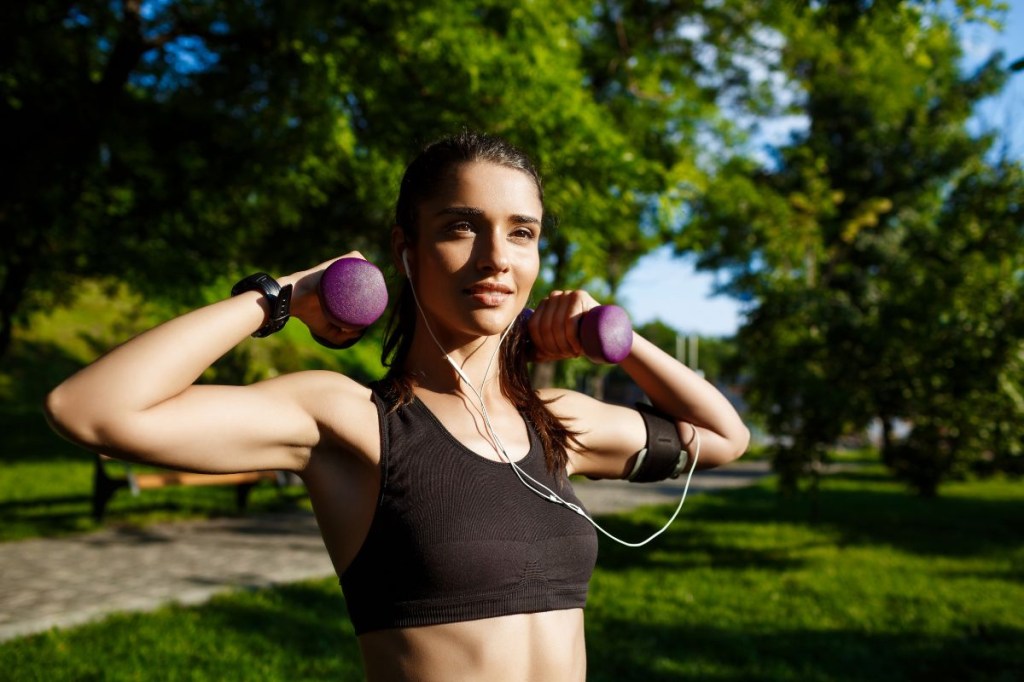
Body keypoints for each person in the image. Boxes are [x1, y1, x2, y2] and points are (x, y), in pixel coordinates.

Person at [45, 130, 749, 681]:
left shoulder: (558, 422)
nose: (497, 257)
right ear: (404, 250)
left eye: (522, 232)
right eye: (460, 226)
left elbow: (723, 437)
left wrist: (615, 341)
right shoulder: (348, 420)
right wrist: (283, 297)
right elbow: (90, 409)